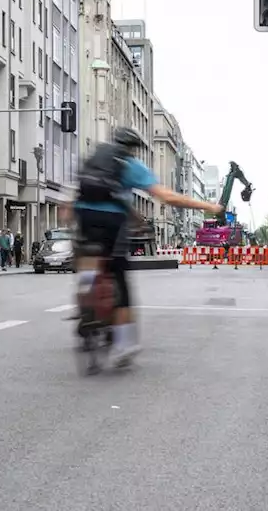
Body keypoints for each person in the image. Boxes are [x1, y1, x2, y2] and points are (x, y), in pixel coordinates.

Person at [69, 127, 225, 365]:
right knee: (120, 278)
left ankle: (85, 303)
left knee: (88, 263)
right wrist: (209, 207)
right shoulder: (130, 164)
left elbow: (76, 193)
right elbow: (169, 197)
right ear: (132, 149)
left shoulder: (94, 159)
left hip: (84, 216)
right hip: (111, 223)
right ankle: (123, 345)